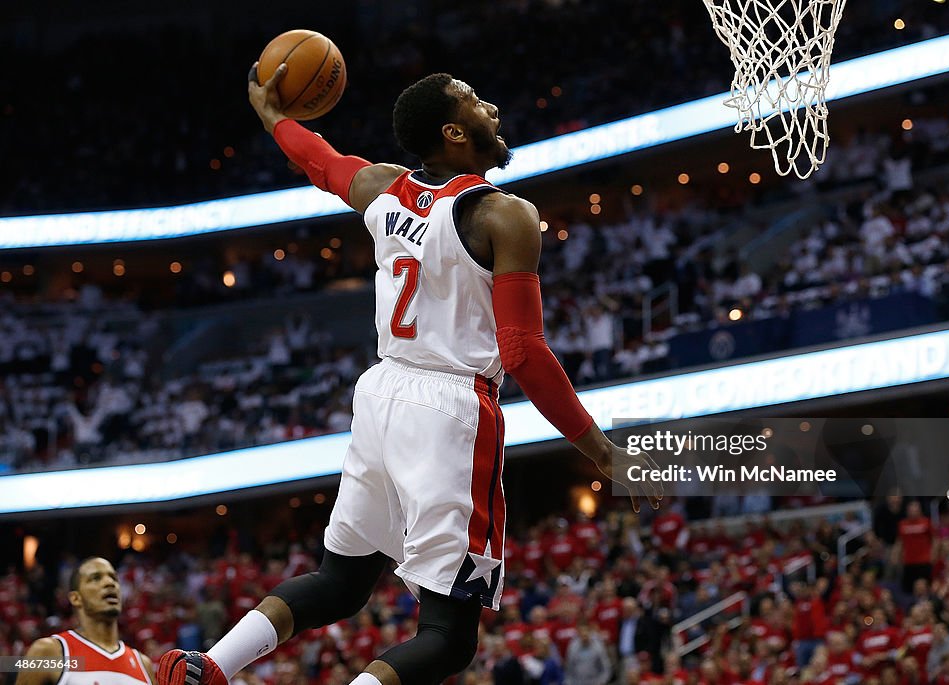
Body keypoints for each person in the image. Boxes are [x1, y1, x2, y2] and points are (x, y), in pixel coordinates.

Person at [157, 67, 661, 685]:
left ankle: (206, 665)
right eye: (476, 101)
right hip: (452, 409)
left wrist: (272, 117)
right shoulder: (505, 216)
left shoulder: (383, 191)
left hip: (382, 393)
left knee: (340, 582)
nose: (493, 106)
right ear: (453, 133)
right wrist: (602, 452)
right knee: (449, 637)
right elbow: (524, 351)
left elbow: (321, 161)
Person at [16, 557, 155, 685]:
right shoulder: (48, 652)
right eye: (95, 578)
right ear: (76, 598)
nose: (109, 583)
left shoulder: (144, 665)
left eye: (114, 578)